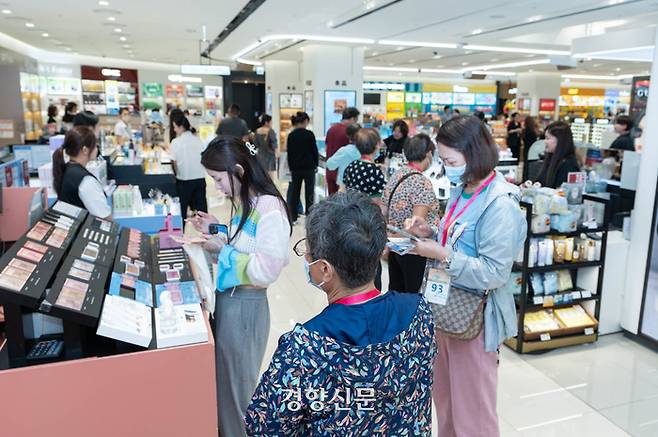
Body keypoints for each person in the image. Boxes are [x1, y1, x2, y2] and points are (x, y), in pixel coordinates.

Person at [245, 190, 437, 436]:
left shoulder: (305, 348)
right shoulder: (419, 312)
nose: (306, 257)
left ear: (325, 269)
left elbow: (264, 427)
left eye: (309, 253)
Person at [405, 116, 526, 437]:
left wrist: (441, 254)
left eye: (451, 161)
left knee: (473, 410)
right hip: (444, 309)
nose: (447, 168)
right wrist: (430, 231)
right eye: (443, 160)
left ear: (475, 153)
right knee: (444, 400)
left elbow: (494, 272)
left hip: (474, 318)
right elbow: (459, 236)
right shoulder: (464, 189)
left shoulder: (500, 204)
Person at [187, 135, 291, 437]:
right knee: (227, 389)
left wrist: (223, 252)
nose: (217, 187)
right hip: (232, 303)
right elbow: (243, 244)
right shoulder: (247, 202)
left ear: (238, 169)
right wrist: (216, 230)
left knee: (238, 396)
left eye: (219, 180)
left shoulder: (270, 208)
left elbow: (267, 268)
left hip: (246, 308)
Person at [383, 133, 439, 293]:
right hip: (414, 250)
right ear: (428, 153)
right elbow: (417, 224)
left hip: (395, 245)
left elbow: (383, 210)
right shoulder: (422, 182)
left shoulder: (397, 175)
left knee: (396, 292)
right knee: (413, 296)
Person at [343, 128, 386, 290]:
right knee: (373, 266)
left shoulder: (352, 166)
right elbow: (377, 201)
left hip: (351, 218)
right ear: (376, 147)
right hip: (369, 222)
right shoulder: (374, 171)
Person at [52, 126, 111, 219]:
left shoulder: (67, 169)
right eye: (95, 146)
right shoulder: (86, 181)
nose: (97, 149)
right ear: (85, 150)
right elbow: (105, 217)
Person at [169, 111, 207, 219]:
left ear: (181, 127)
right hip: (200, 179)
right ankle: (207, 234)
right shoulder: (198, 140)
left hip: (184, 181)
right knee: (202, 212)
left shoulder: (176, 142)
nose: (175, 130)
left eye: (175, 127)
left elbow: (174, 162)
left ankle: (180, 234)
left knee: (181, 212)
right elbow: (204, 158)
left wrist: (176, 174)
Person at [286, 112, 318, 224]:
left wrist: (290, 167)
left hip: (295, 169)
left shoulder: (291, 135)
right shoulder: (309, 134)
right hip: (309, 167)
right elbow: (314, 151)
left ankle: (293, 216)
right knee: (309, 192)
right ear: (305, 121)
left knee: (295, 192)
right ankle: (309, 216)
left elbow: (289, 153)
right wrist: (316, 164)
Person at [325, 107, 360, 195]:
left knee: (332, 202)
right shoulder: (349, 133)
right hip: (342, 175)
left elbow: (327, 147)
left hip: (331, 170)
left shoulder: (331, 129)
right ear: (352, 118)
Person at [536, 121, 581, 188]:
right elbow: (540, 182)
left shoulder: (569, 165)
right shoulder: (550, 158)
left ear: (560, 140)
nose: (545, 141)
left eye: (548, 138)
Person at [254, 114, 278, 178]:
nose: (271, 123)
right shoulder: (270, 131)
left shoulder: (257, 131)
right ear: (266, 122)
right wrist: (277, 153)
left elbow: (255, 144)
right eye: (271, 122)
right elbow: (274, 143)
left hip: (261, 154)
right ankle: (269, 187)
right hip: (270, 154)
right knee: (270, 175)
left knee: (262, 174)